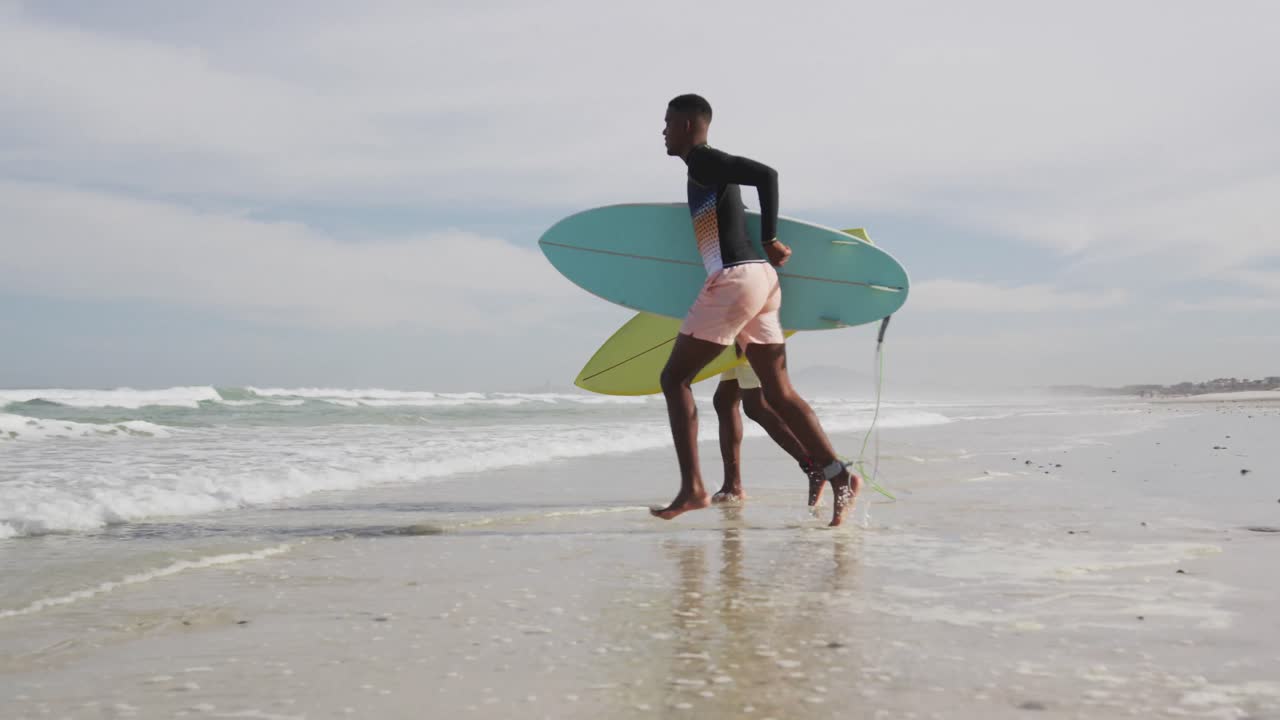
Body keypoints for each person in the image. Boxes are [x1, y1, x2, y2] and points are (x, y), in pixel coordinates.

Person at [652, 93, 862, 527]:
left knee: (675, 378)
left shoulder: (704, 161)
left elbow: (766, 174)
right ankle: (837, 473)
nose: (664, 132)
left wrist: (769, 235)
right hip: (762, 281)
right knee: (778, 394)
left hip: (735, 278)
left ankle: (692, 487)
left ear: (689, 125)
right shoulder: (710, 173)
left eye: (669, 122)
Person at [711, 350, 828, 509]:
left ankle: (813, 466)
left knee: (755, 405)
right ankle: (732, 486)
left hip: (747, 336)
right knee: (724, 400)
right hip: (734, 336)